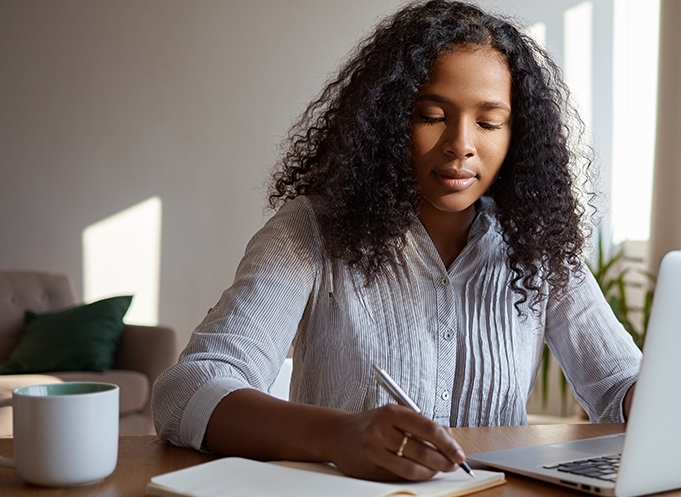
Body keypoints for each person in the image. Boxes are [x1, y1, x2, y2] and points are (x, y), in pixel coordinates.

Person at [152, 0, 642, 483]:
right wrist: (337, 436)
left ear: (518, 135)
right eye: (431, 115)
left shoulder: (536, 246)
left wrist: (661, 401)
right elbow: (185, 390)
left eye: (489, 123)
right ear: (387, 120)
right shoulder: (311, 232)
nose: (461, 144)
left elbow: (619, 383)